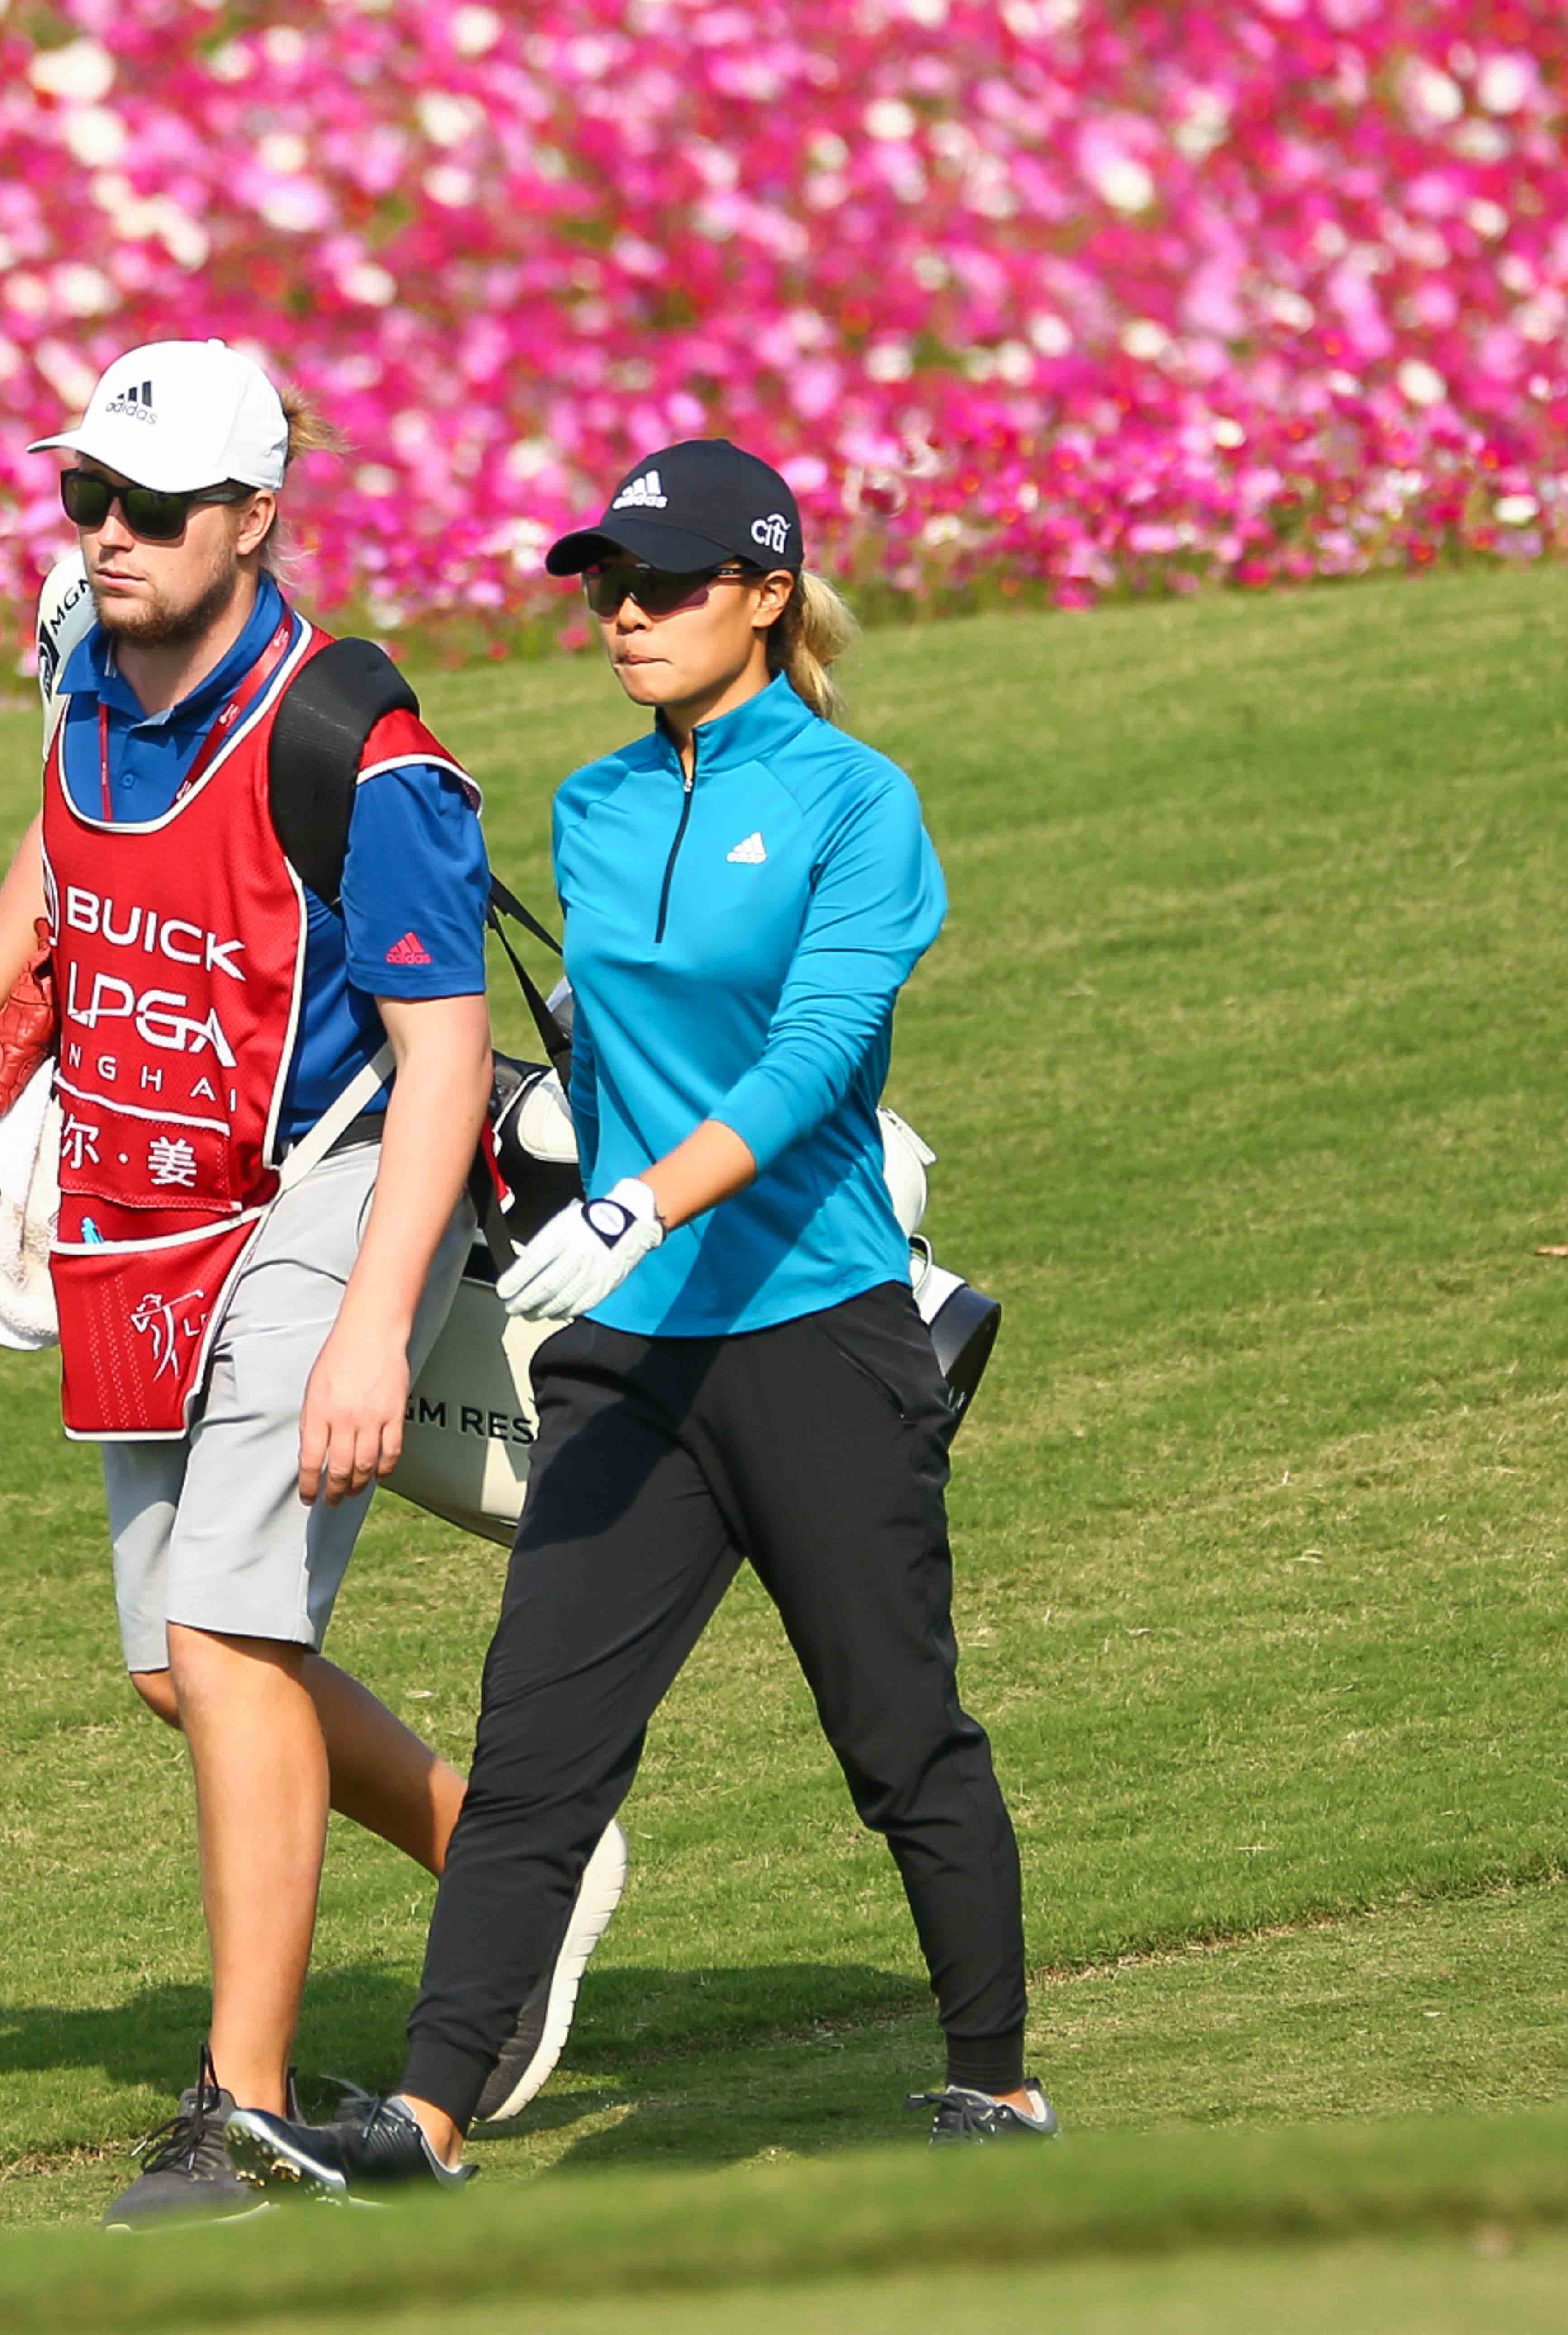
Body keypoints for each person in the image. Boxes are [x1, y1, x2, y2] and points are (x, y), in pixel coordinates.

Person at [231, 439, 1050, 2197]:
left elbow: (816, 1050)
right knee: (536, 1757)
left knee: (897, 1735)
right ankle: (426, 2119)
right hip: (626, 1359)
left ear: (765, 596)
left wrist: (639, 1199)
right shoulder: (594, 807)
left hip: (817, 1336)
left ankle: (992, 2079)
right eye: (605, 582)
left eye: (663, 583)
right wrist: (548, 1173)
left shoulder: (852, 804)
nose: (623, 614)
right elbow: (605, 1050)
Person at [0, 340, 624, 2227]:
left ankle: (243, 2109)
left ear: (254, 521)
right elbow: (56, 854)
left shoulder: (358, 751)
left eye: (151, 511)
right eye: (84, 501)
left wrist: (371, 1321)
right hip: (145, 1194)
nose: (106, 539)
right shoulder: (82, 659)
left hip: (331, 1179)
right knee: (169, 1663)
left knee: (225, 1632)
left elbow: (441, 1059)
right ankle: (516, 1862)